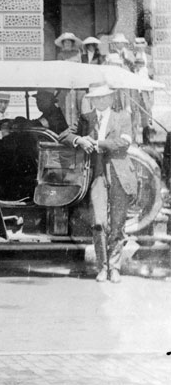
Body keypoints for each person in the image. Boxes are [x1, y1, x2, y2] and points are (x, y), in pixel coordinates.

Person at [60, 83, 136, 283]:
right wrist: (80, 141)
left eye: (104, 97)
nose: (100, 101)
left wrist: (98, 144)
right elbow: (64, 135)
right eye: (96, 98)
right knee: (99, 222)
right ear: (92, 100)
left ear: (111, 98)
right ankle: (102, 267)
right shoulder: (86, 119)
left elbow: (125, 142)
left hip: (120, 174)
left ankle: (115, 267)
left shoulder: (123, 118)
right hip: (97, 176)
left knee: (118, 224)